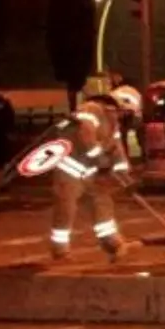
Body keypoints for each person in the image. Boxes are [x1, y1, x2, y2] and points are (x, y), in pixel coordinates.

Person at [49, 100, 132, 261]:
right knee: (66, 209)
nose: (123, 116)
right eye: (124, 112)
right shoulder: (91, 110)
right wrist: (100, 159)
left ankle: (111, 242)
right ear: (115, 107)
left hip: (90, 172)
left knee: (102, 203)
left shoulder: (113, 124)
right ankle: (60, 251)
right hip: (69, 168)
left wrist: (123, 172)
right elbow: (86, 134)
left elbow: (117, 148)